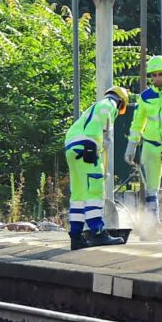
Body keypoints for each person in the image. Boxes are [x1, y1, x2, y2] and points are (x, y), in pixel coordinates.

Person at [64, 86, 129, 250]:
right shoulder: (109, 104)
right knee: (95, 192)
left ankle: (76, 236)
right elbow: (105, 119)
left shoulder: (93, 107)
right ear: (121, 102)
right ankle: (97, 232)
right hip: (87, 148)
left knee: (78, 194)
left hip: (72, 147)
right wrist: (102, 139)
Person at [124, 55, 162, 230]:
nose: (157, 78)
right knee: (151, 188)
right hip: (151, 145)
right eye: (153, 75)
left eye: (160, 74)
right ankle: (152, 225)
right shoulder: (145, 97)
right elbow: (138, 123)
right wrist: (131, 146)